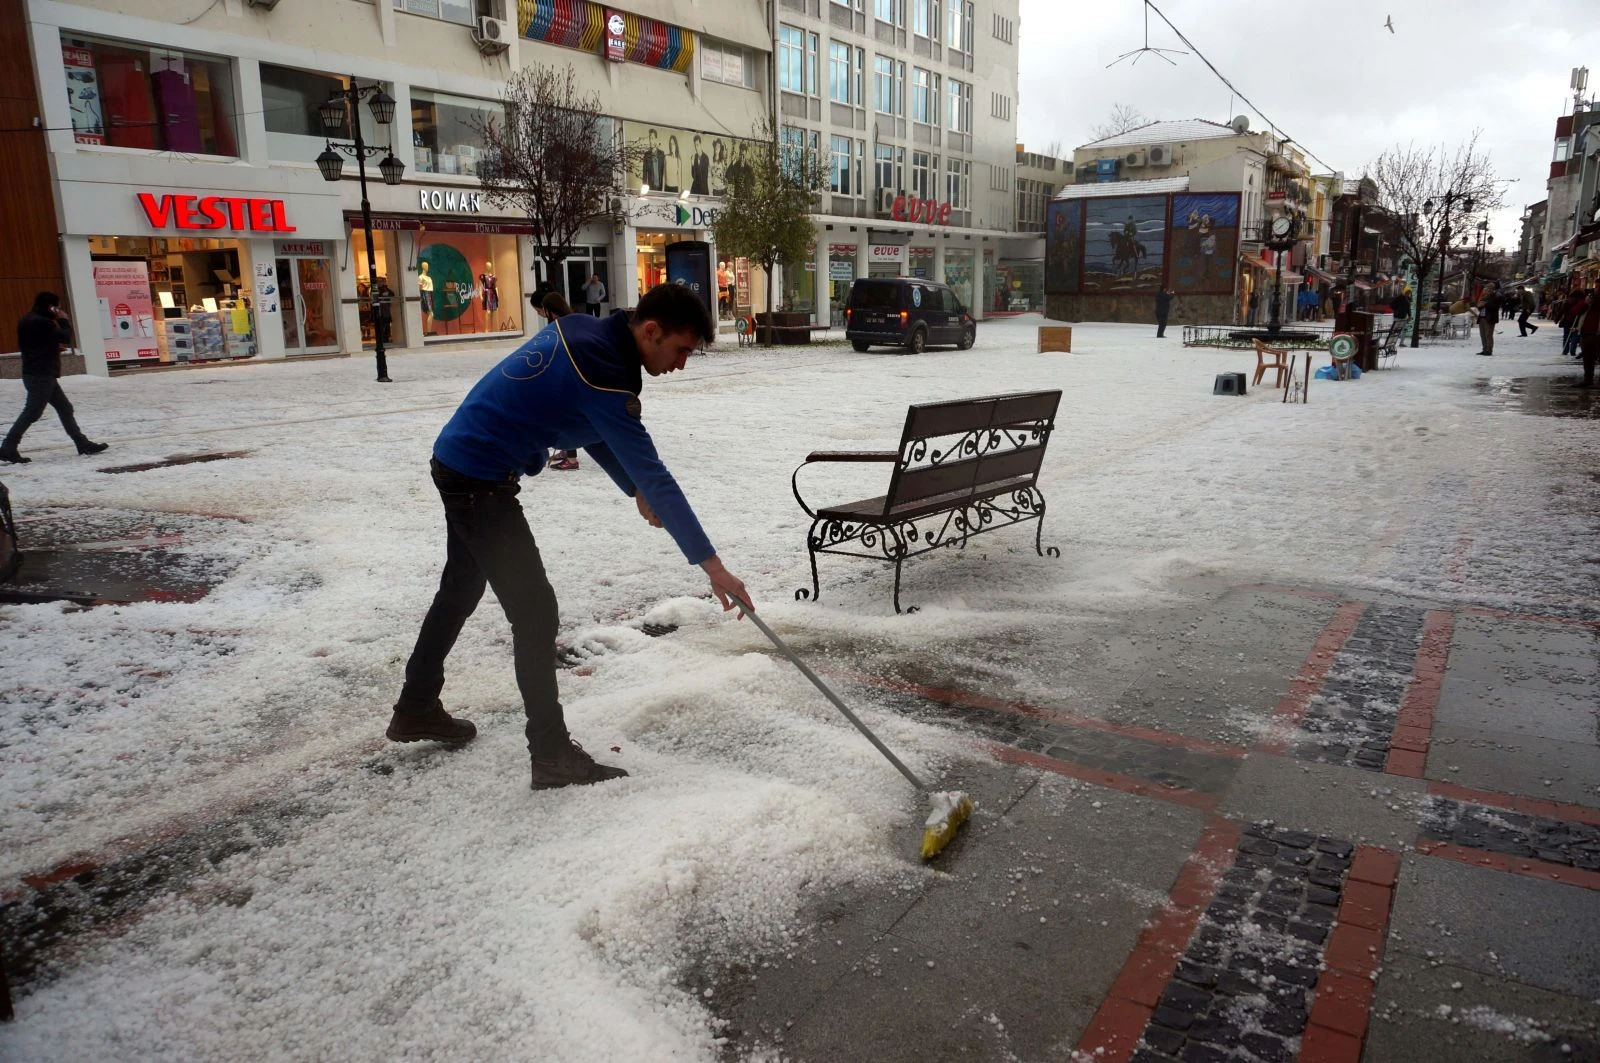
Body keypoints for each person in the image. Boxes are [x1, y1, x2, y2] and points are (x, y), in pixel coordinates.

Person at [387, 283, 750, 790]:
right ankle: (551, 754)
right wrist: (713, 567)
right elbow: (654, 469)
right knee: (535, 611)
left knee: (460, 589)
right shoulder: (602, 370)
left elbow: (587, 425)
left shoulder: (591, 335)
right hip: (477, 479)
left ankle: (416, 706)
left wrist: (633, 488)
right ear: (651, 331)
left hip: (459, 459)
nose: (682, 364)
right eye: (681, 350)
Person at [2, 292, 107, 464]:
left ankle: (82, 443)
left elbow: (34, 343)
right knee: (32, 412)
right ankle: (8, 446)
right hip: (41, 374)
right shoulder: (41, 322)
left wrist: (50, 348)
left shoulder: (28, 319)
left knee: (65, 408)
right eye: (56, 307)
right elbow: (65, 337)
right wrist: (64, 320)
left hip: (38, 372)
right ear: (51, 306)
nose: (58, 310)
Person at [1576, 287, 1599, 388]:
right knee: (1588, 359)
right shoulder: (1587, 304)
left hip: (1597, 334)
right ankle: (1588, 380)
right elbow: (1575, 311)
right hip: (1586, 333)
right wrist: (1586, 302)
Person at [1474, 283, 1498, 356]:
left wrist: (1485, 304)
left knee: (1488, 335)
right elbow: (1479, 306)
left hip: (1489, 318)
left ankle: (1489, 350)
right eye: (1487, 288)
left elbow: (1495, 307)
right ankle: (1484, 349)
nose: (1487, 290)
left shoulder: (1496, 297)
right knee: (1483, 335)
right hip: (1482, 317)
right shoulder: (1484, 297)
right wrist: (1479, 306)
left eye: (1489, 288)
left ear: (1492, 289)